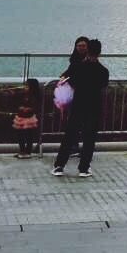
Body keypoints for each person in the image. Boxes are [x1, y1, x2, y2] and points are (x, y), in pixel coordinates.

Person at [52, 39, 108, 177]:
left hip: (78, 106)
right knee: (89, 138)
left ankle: (59, 166)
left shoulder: (78, 67)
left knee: (69, 136)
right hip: (94, 107)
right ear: (100, 52)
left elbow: (70, 81)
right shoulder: (103, 71)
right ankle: (83, 168)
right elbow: (102, 86)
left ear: (87, 50)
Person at [12, 79, 40, 158]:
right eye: (24, 86)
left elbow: (34, 107)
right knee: (20, 136)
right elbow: (17, 103)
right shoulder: (22, 95)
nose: (24, 88)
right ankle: (22, 150)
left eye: (27, 86)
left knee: (28, 136)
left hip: (29, 119)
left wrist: (28, 109)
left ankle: (28, 151)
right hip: (21, 118)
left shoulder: (33, 96)